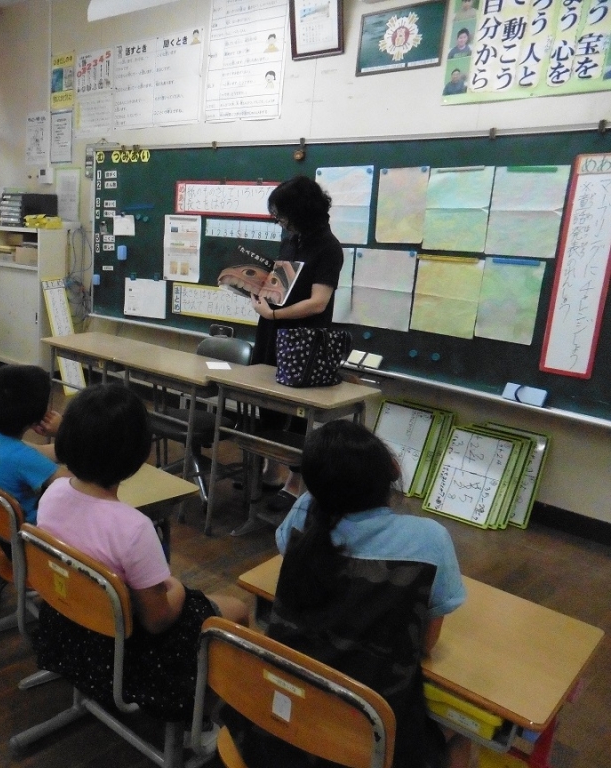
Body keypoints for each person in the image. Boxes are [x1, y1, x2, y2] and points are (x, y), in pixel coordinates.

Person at [222, 420, 471, 768]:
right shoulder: (429, 540)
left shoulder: (303, 511)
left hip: (277, 726)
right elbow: (426, 644)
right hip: (368, 741)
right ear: (391, 473)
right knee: (462, 735)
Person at [33, 383, 249, 727]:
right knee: (237, 609)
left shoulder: (53, 493)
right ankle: (207, 718)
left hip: (66, 629)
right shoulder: (133, 528)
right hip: (122, 654)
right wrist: (177, 589)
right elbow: (157, 620)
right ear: (136, 455)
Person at [251, 175, 344, 512]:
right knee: (266, 403)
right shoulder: (292, 239)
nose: (279, 221)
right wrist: (258, 291)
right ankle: (272, 470)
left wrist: (275, 314)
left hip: (303, 340)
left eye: (282, 214)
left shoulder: (328, 247)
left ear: (302, 212)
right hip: (272, 329)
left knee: (297, 413)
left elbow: (318, 303)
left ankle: (296, 481)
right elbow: (281, 284)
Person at [0, 364, 65, 526]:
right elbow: (78, 487)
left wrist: (64, 446)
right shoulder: (24, 459)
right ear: (37, 416)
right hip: (26, 532)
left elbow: (38, 452)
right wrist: (64, 432)